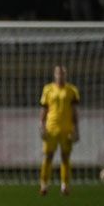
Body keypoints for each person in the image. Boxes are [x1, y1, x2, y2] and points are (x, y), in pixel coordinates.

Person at [39, 65, 80, 196]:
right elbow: (44, 109)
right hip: (51, 128)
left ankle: (65, 185)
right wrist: (42, 126)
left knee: (65, 157)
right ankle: (44, 185)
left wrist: (76, 129)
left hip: (66, 128)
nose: (60, 76)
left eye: (63, 73)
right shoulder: (48, 89)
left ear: (65, 75)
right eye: (58, 73)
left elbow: (74, 112)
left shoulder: (72, 90)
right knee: (48, 156)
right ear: (54, 75)